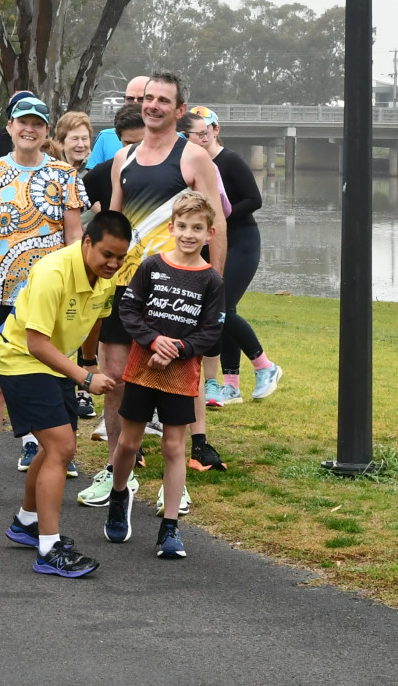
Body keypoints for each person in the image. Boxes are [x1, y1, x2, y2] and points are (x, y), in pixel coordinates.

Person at [87, 72, 227, 499]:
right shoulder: (123, 159)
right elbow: (112, 225)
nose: (153, 106)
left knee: (175, 382)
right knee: (114, 379)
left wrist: (214, 284)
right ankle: (116, 473)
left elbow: (216, 222)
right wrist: (96, 276)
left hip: (179, 291)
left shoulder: (194, 158)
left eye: (164, 100)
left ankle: (174, 485)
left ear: (179, 110)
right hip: (127, 286)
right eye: (149, 98)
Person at [0, 210, 129, 577]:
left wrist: (90, 361)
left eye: (121, 257)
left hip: (57, 362)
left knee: (57, 445)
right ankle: (48, 550)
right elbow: (36, 343)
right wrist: (85, 378)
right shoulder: (53, 273)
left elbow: (95, 316)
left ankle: (26, 523)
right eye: (107, 255)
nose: (114, 264)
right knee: (62, 447)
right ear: (87, 243)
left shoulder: (104, 277)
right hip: (21, 358)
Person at [0, 93, 83, 504]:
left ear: (46, 130)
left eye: (37, 123)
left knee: (49, 375)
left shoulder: (65, 175)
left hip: (46, 297)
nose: (29, 129)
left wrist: (75, 288)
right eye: (22, 122)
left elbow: (74, 239)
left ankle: (43, 447)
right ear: (10, 127)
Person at [104, 191, 225, 558]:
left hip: (181, 374)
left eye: (198, 228)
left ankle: (170, 527)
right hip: (142, 369)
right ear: (171, 228)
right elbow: (129, 311)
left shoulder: (212, 281)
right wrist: (155, 341)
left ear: (210, 234)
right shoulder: (151, 266)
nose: (189, 234)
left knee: (174, 446)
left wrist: (179, 350)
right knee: (128, 443)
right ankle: (119, 494)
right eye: (183, 226)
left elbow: (211, 330)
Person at [185, 106, 281, 405]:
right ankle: (231, 385)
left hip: (241, 240)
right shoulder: (190, 163)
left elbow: (255, 199)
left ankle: (265, 365)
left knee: (221, 308)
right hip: (209, 240)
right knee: (225, 311)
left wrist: (219, 215)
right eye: (196, 133)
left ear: (216, 130)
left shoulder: (230, 161)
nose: (202, 137)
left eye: (207, 130)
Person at [86, 77, 151, 168]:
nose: (135, 103)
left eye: (141, 99)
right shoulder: (105, 138)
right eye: (130, 99)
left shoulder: (174, 140)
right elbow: (94, 178)